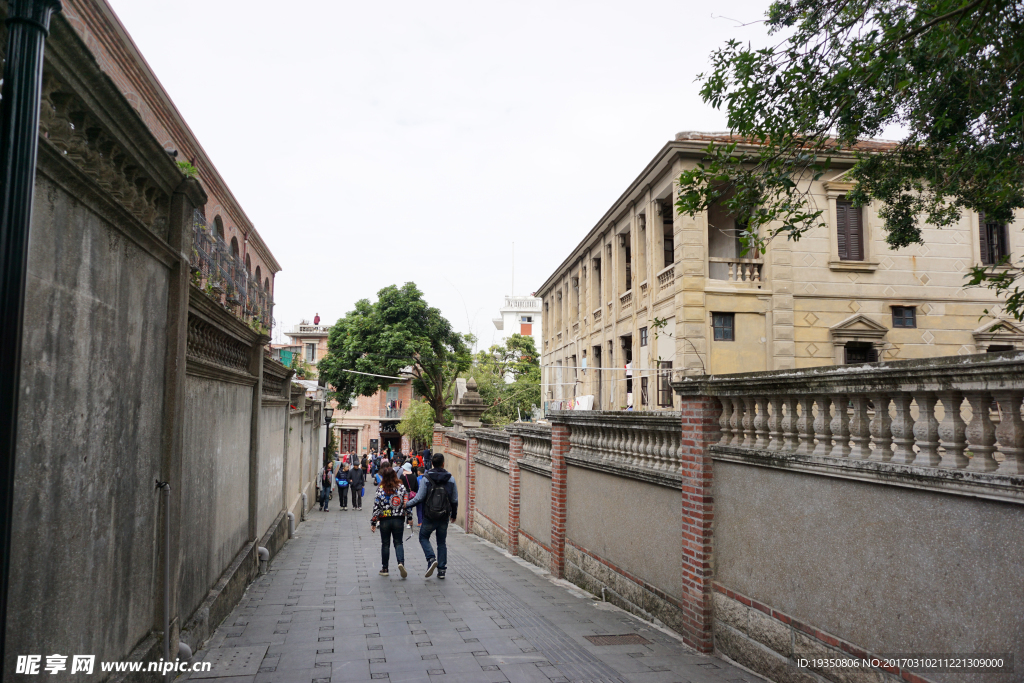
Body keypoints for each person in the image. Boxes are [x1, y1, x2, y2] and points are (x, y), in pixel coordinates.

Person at [403, 453, 457, 580]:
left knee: (423, 537)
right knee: (441, 542)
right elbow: (454, 499)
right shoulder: (450, 479)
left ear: (432, 463)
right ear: (443, 463)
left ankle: (431, 558)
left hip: (429, 515)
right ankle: (442, 570)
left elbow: (420, 497)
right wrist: (453, 514)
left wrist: (407, 504)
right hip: (444, 515)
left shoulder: (427, 478)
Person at [369, 463, 408, 578]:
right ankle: (401, 563)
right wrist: (409, 517)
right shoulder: (401, 487)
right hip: (398, 518)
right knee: (398, 542)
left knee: (385, 544)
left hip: (385, 519)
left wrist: (373, 521)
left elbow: (376, 506)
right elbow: (406, 503)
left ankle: (385, 568)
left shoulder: (381, 488)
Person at [399, 462, 419, 529]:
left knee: (403, 507)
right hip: (411, 494)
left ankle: (402, 522)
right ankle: (409, 522)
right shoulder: (414, 476)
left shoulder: (403, 476)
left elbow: (400, 485)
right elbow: (416, 486)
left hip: (404, 494)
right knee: (410, 508)